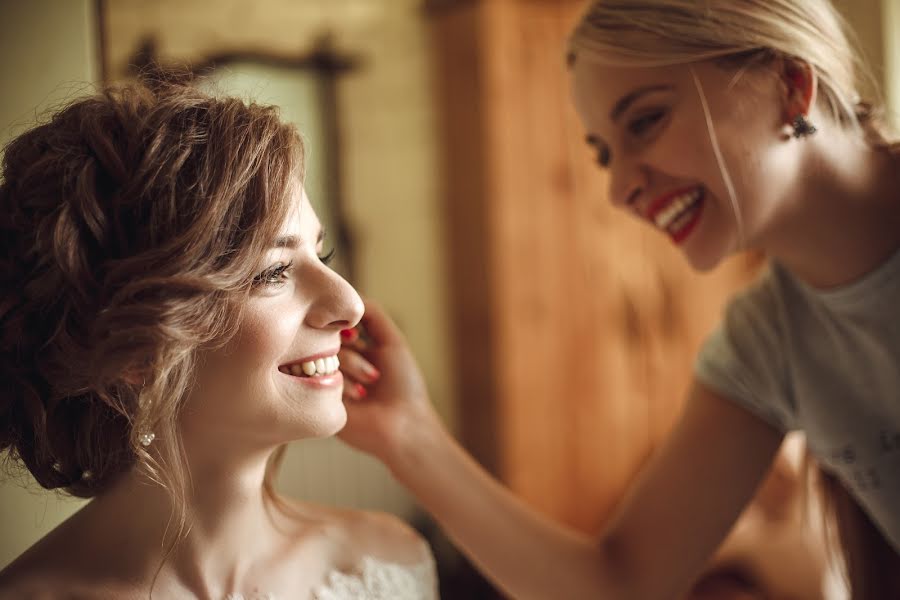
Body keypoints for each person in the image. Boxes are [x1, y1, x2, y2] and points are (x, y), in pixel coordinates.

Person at [335, 1, 900, 598]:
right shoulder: (769, 339)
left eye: (645, 121)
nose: (620, 188)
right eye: (604, 153)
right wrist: (408, 435)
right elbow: (620, 583)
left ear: (790, 85)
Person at [0, 77, 437, 599]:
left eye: (321, 257)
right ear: (136, 350)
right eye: (273, 272)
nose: (350, 305)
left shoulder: (388, 563)